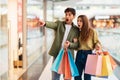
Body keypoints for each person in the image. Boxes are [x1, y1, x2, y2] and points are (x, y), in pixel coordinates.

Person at [38, 7, 79, 80]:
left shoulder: (76, 30)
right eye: (66, 14)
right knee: (55, 77)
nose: (67, 16)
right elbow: (52, 25)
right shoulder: (59, 24)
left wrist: (70, 44)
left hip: (68, 56)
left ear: (74, 16)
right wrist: (45, 23)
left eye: (69, 15)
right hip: (58, 54)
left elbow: (76, 45)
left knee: (67, 77)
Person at [74, 15, 101, 80]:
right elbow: (76, 47)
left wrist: (97, 45)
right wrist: (74, 42)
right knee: (77, 76)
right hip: (79, 54)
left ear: (85, 22)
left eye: (80, 21)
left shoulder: (92, 31)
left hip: (89, 55)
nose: (78, 23)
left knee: (87, 77)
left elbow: (97, 42)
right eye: (78, 21)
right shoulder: (77, 32)